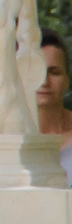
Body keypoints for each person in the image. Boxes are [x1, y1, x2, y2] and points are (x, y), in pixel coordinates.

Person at [40, 28, 72, 180]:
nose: (44, 82)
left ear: (67, 80)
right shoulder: (9, 137)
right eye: (37, 72)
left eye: (54, 72)